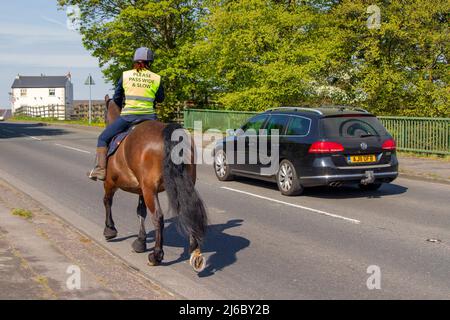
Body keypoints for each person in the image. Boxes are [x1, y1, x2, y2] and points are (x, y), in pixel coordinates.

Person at [88, 47, 165, 181]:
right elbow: (160, 98)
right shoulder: (156, 78)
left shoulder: (126, 76)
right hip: (150, 118)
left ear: (135, 61)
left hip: (129, 117)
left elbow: (117, 98)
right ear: (150, 62)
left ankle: (100, 170)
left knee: (102, 138)